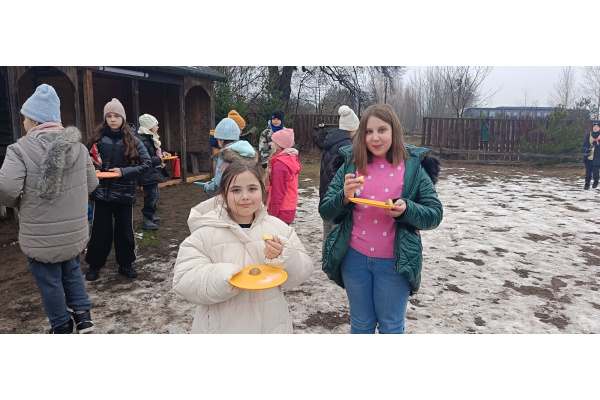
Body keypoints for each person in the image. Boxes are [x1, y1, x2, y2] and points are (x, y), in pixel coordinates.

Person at [319, 104, 443, 334]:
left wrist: (407, 210)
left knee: (391, 326)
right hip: (354, 260)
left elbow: (434, 214)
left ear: (394, 130)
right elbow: (326, 212)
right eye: (368, 131)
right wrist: (344, 197)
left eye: (382, 130)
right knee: (361, 324)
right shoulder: (351, 163)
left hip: (395, 262)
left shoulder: (413, 167)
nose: (375, 138)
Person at [0, 84, 98, 333]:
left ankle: (61, 325)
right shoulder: (79, 148)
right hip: (74, 231)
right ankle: (83, 317)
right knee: (72, 271)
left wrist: (17, 204)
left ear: (34, 120)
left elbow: (7, 188)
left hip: (41, 234)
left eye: (24, 118)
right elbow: (92, 183)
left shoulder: (19, 149)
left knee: (49, 281)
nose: (23, 122)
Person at [173, 161, 313, 333]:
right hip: (221, 329)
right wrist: (223, 276)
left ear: (262, 190)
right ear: (224, 195)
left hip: (271, 326)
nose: (245, 196)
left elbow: (303, 272)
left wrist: (285, 258)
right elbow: (184, 280)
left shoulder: (279, 229)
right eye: (236, 190)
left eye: (252, 189)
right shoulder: (204, 234)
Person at [84, 98, 152, 281]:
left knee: (125, 231)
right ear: (105, 118)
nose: (113, 119)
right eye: (109, 116)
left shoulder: (134, 140)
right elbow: (85, 162)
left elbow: (146, 165)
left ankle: (126, 264)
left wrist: (123, 172)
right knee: (100, 231)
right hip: (102, 193)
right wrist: (95, 170)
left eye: (116, 116)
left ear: (123, 118)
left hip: (124, 193)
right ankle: (95, 264)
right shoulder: (97, 139)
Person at [319, 105, 359, 253]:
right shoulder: (346, 145)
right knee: (337, 231)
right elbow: (345, 172)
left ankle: (325, 257)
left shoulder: (330, 140)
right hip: (337, 193)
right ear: (352, 128)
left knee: (327, 229)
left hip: (325, 191)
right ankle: (333, 259)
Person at [204, 117, 257, 196]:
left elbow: (218, 186)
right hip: (247, 196)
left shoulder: (225, 156)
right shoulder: (247, 152)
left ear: (220, 140)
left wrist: (207, 187)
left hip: (231, 197)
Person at [135, 114, 170, 230]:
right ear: (149, 126)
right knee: (151, 195)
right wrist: (159, 159)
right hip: (147, 173)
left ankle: (151, 215)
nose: (158, 127)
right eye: (156, 124)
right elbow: (144, 159)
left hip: (152, 171)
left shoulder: (150, 138)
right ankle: (147, 219)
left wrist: (162, 153)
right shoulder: (142, 140)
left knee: (155, 194)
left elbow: (153, 151)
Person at [266, 128, 301, 224]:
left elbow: (278, 192)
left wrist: (272, 215)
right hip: (288, 207)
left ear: (279, 145)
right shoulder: (289, 160)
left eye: (273, 142)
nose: (270, 144)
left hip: (280, 211)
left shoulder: (280, 166)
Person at [582, 121, 600, 189]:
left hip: (597, 158)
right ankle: (587, 185)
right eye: (594, 126)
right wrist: (586, 150)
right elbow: (584, 146)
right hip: (589, 158)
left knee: (596, 174)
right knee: (588, 174)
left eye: (597, 127)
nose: (595, 128)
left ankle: (595, 184)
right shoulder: (589, 135)